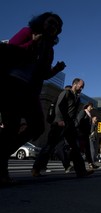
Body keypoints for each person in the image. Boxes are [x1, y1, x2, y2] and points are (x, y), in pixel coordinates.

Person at [0, 12, 65, 186]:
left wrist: (55, 70)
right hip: (12, 83)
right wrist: (32, 43)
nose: (54, 27)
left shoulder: (49, 49)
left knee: (37, 126)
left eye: (57, 27)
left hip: (30, 90)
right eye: (51, 23)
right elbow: (9, 51)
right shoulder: (27, 32)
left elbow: (43, 74)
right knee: (11, 126)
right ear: (42, 22)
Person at [32, 78, 94, 178]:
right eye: (81, 86)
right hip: (60, 124)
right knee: (50, 146)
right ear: (74, 84)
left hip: (69, 126)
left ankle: (81, 171)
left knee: (75, 148)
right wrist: (59, 120)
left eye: (83, 87)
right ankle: (36, 169)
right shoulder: (66, 93)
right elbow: (58, 107)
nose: (82, 88)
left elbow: (73, 113)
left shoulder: (77, 98)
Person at [76, 102, 99, 170]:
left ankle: (91, 164)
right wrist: (77, 131)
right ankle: (79, 166)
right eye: (91, 106)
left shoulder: (89, 115)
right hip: (81, 133)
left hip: (86, 134)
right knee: (81, 149)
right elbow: (78, 121)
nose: (91, 108)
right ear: (87, 106)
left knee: (87, 150)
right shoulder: (83, 112)